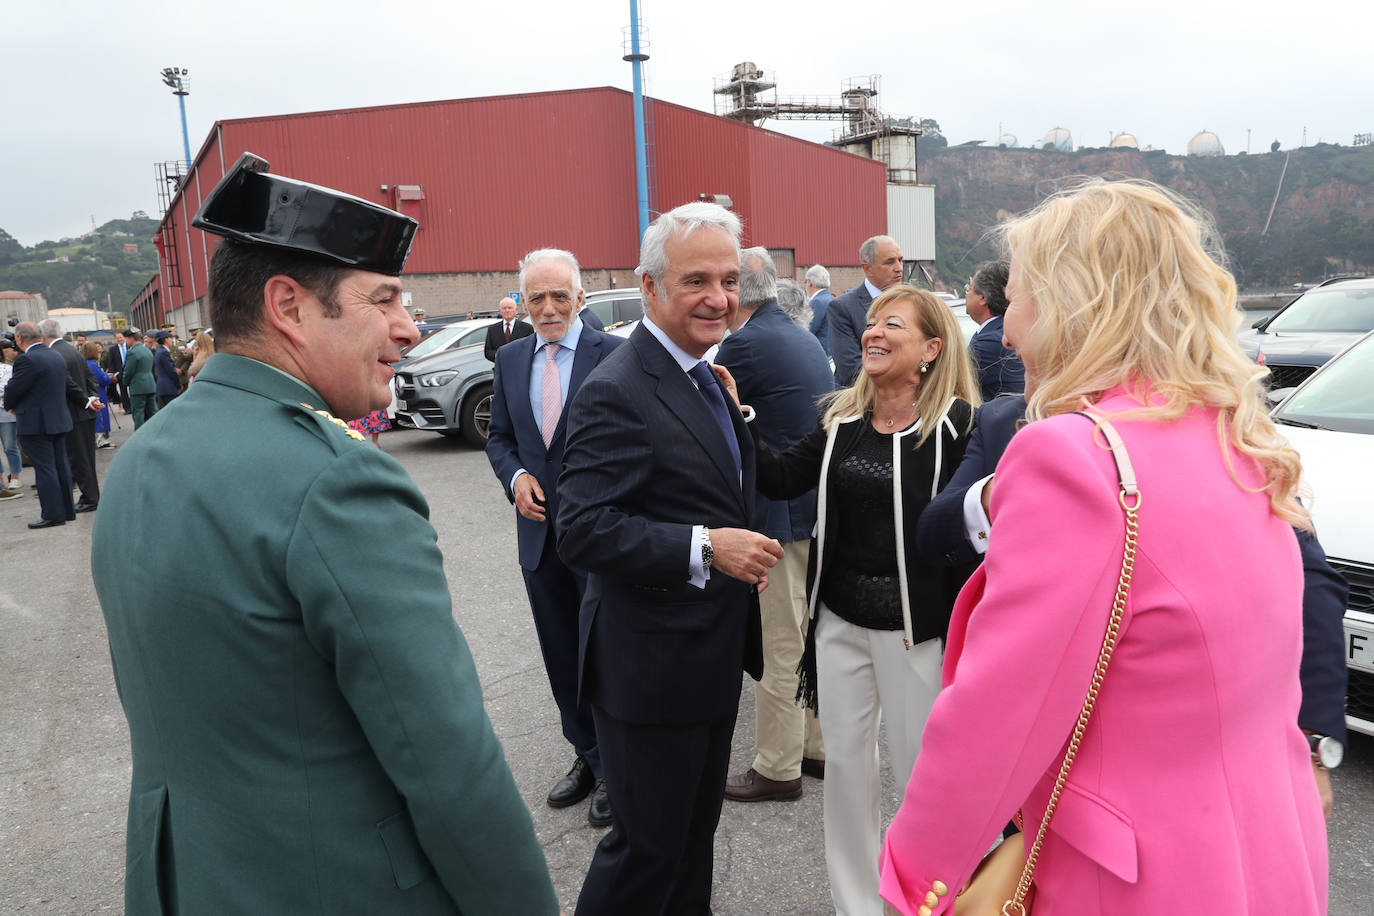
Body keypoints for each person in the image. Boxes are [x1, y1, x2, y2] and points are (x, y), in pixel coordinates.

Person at [89, 153, 559, 915]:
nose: (409, 328)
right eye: (383, 299)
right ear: (289, 307)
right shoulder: (339, 481)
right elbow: (446, 763)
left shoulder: (143, 454)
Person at [878, 179, 1329, 915]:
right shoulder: (1239, 438)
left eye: (1018, 298)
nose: (1007, 330)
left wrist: (915, 879)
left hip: (1128, 877)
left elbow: (995, 718)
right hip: (1266, 852)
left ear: (1072, 305)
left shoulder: (1074, 457)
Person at [556, 201, 783, 915]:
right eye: (695, 282)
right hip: (648, 671)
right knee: (648, 850)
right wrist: (708, 548)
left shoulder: (707, 378)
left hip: (705, 658)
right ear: (649, 288)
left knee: (691, 840)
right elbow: (583, 529)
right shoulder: (618, 389)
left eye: (727, 279)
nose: (719, 298)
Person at [723, 284, 978, 915]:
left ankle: (925, 903)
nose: (874, 333)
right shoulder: (840, 419)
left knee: (923, 780)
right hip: (837, 624)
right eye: (870, 323)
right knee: (846, 776)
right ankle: (856, 906)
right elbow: (781, 477)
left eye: (893, 324)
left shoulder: (955, 427)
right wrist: (735, 412)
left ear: (931, 347)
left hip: (916, 632)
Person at [485, 248, 624, 829]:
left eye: (558, 296)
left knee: (609, 656)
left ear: (579, 299)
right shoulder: (511, 357)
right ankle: (587, 755)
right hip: (539, 538)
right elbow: (500, 439)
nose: (547, 308)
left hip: (601, 538)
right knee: (561, 653)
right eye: (536, 297)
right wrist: (515, 478)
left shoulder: (614, 355)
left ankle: (619, 769)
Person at [716, 248, 833, 803]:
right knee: (807, 636)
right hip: (811, 508)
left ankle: (777, 767)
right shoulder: (794, 330)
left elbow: (711, 415)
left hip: (780, 513)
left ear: (739, 289)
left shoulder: (744, 343)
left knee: (781, 643)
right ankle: (814, 748)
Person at [2, 321, 75, 527]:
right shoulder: (55, 355)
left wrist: (11, 404)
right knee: (61, 465)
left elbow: (14, 390)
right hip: (58, 419)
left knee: (45, 468)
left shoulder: (27, 360)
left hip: (36, 423)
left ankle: (52, 514)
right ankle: (66, 510)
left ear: (19, 338)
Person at [42, 320, 101, 512]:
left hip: (73, 413)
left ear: (43, 335)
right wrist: (91, 398)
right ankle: (91, 496)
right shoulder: (72, 350)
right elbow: (90, 377)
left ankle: (90, 499)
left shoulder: (54, 354)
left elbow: (67, 384)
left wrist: (86, 400)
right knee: (86, 459)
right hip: (85, 413)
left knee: (79, 459)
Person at [830, 236, 904, 387]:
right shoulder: (843, 308)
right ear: (867, 268)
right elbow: (851, 371)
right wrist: (903, 380)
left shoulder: (912, 304)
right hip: (861, 404)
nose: (899, 268)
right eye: (890, 262)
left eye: (900, 260)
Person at [964, 259, 1025, 400]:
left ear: (983, 297)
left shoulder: (989, 343)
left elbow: (951, 380)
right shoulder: (1009, 331)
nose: (966, 294)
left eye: (969, 289)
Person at [0, 339, 26, 492]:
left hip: (6, 410)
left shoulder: (7, 369)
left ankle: (15, 476)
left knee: (10, 445)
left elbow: (8, 388)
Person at [121, 327, 157, 428]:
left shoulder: (132, 352)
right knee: (153, 412)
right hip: (150, 385)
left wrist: (125, 382)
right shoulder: (147, 350)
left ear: (131, 338)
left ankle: (140, 438)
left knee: (138, 414)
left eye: (127, 339)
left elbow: (128, 372)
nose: (126, 341)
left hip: (138, 387)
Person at [83, 342, 115, 448]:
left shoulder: (83, 363)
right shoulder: (92, 365)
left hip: (88, 393)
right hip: (98, 393)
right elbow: (101, 380)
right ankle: (101, 440)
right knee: (100, 416)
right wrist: (108, 377)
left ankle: (96, 439)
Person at [484, 296, 533, 361]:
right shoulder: (492, 329)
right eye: (504, 308)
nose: (507, 310)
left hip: (520, 367)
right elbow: (488, 351)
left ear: (516, 310)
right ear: (500, 311)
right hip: (500, 368)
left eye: (510, 308)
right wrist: (499, 355)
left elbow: (531, 349)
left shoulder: (527, 328)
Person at [806, 265, 834, 356]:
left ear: (810, 283)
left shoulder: (817, 302)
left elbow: (808, 330)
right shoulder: (831, 299)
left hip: (820, 353)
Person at [103, 329, 129, 412]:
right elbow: (111, 363)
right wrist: (113, 374)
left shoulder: (130, 346)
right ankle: (127, 408)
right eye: (117, 338)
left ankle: (134, 406)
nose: (119, 339)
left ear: (124, 337)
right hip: (120, 373)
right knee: (123, 391)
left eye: (121, 337)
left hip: (130, 371)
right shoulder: (112, 349)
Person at [153, 330, 181, 406]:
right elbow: (171, 371)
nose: (172, 340)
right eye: (170, 338)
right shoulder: (164, 352)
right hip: (169, 388)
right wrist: (178, 385)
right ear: (166, 339)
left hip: (165, 387)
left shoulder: (160, 351)